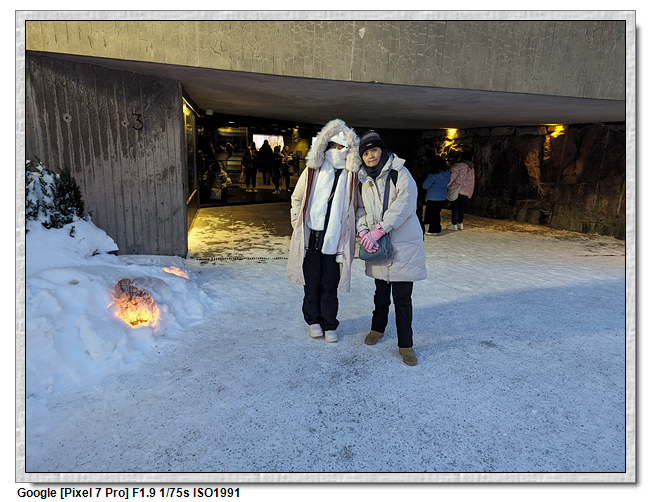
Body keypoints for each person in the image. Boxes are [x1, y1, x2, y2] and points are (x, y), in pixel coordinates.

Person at [355, 131, 426, 366]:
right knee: (380, 293)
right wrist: (363, 230)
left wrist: (381, 228)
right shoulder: (363, 179)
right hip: (378, 245)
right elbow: (361, 209)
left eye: (374, 150)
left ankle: (406, 345)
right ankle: (377, 328)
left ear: (382, 150)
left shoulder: (399, 172)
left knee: (402, 298)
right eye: (366, 153)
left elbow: (405, 203)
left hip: (403, 244)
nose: (370, 156)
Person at [287, 119, 361, 343]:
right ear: (326, 146)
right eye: (333, 145)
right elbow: (297, 198)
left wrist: (358, 229)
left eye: (342, 147)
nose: (337, 150)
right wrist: (297, 222)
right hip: (311, 238)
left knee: (330, 285)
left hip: (335, 242)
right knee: (311, 284)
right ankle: (313, 321)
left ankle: (329, 323)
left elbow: (357, 206)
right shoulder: (313, 170)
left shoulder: (352, 176)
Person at [421, 153, 451, 235]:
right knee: (436, 213)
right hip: (442, 197)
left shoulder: (433, 175)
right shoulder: (447, 173)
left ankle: (433, 230)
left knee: (432, 214)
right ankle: (437, 227)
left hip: (432, 197)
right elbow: (448, 181)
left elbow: (425, 186)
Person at [446, 152, 475, 231]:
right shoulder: (471, 168)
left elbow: (452, 177)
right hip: (466, 191)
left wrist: (446, 186)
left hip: (457, 189)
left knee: (455, 207)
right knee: (461, 207)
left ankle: (454, 224)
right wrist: (470, 192)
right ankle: (460, 223)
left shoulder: (458, 166)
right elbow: (472, 181)